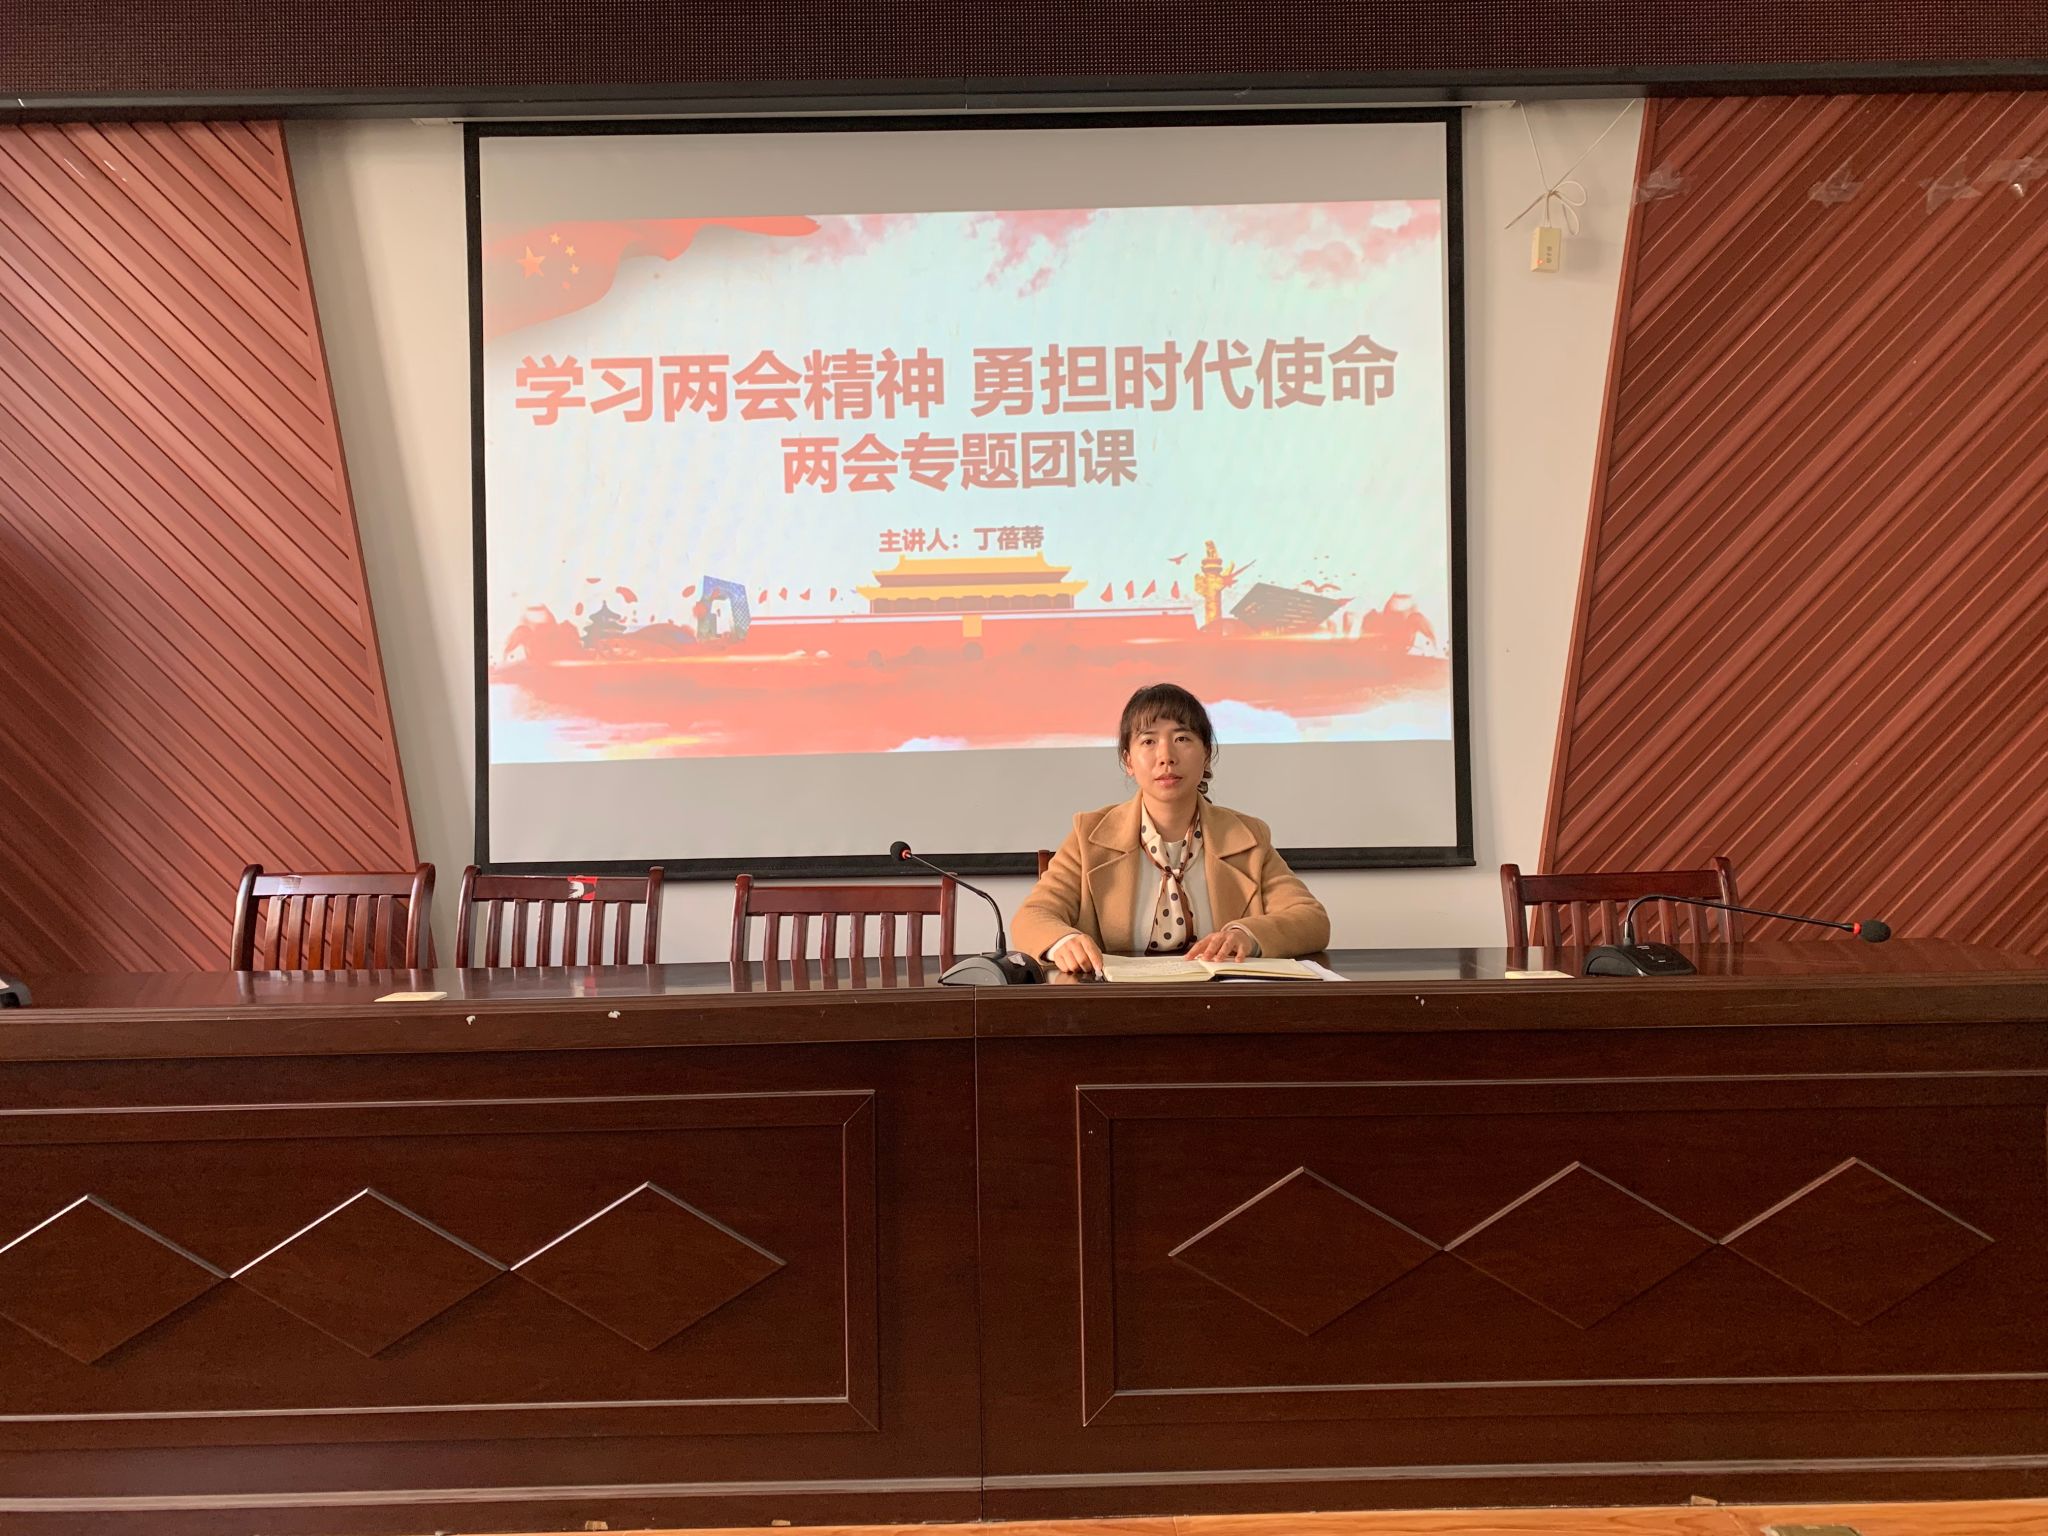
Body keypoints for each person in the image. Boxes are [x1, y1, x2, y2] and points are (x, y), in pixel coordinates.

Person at [1014, 683, 1331, 976]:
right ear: (1128, 760)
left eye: (1182, 739)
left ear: (1206, 755)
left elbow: (1311, 919)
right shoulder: (1090, 835)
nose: (1166, 756)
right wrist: (1063, 941)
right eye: (1148, 741)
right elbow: (1033, 915)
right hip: (1118, 1005)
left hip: (1221, 1003)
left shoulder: (1247, 836)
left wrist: (1245, 935)